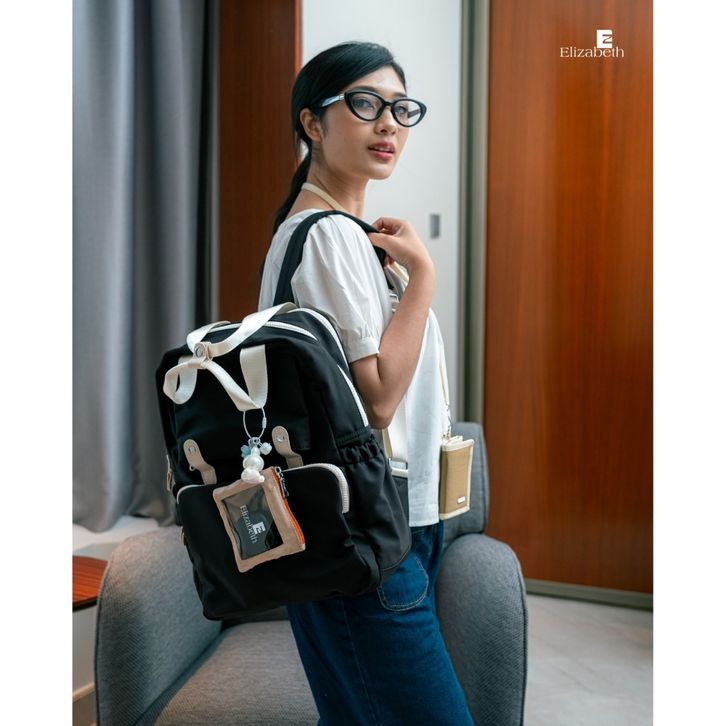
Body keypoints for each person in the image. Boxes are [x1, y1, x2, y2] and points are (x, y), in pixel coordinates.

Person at [258, 41, 474, 726]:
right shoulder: (326, 237)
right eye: (364, 103)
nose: (388, 124)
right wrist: (425, 279)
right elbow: (377, 399)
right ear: (312, 123)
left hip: (389, 518)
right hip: (366, 525)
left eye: (401, 109)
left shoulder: (351, 237)